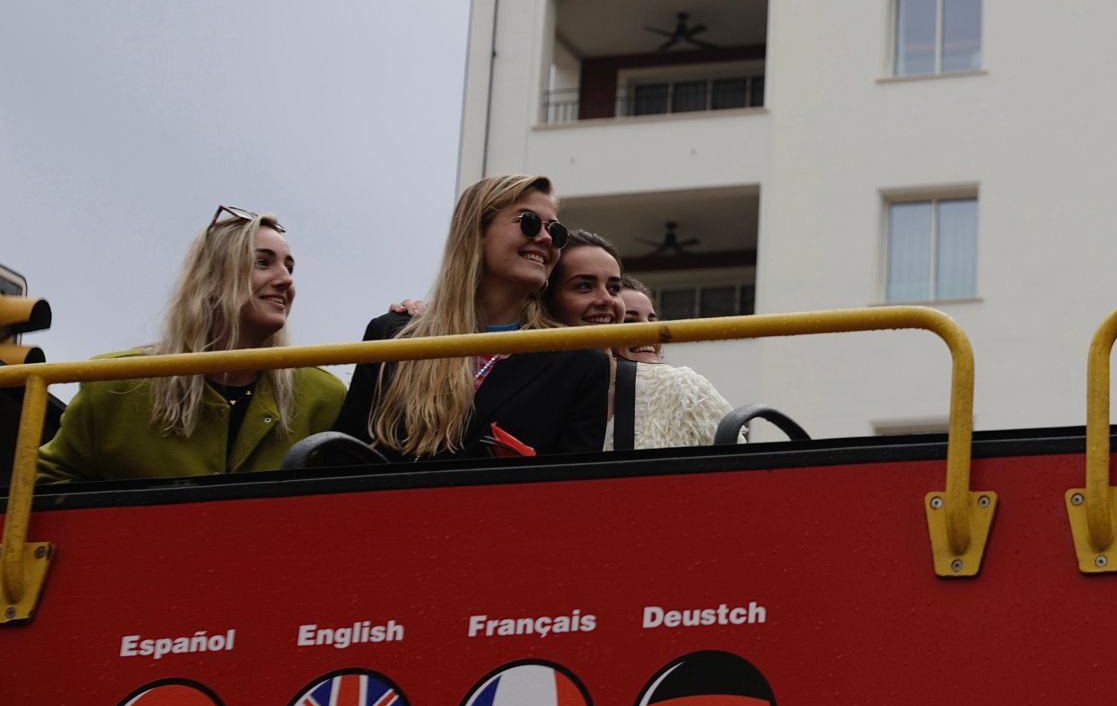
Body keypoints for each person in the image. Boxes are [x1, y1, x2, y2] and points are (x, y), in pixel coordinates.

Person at [38, 207, 345, 483]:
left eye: (289, 268)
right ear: (210, 279)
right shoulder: (113, 384)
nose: (286, 280)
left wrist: (393, 325)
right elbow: (43, 485)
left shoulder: (323, 397)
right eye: (263, 263)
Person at [335, 175, 608, 459]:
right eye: (529, 222)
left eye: (556, 231)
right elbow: (345, 461)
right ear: (476, 231)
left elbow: (573, 490)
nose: (546, 238)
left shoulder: (579, 362)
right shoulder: (392, 335)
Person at [607, 277, 732, 450]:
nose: (650, 332)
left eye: (652, 321)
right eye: (629, 322)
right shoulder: (572, 391)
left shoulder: (688, 390)